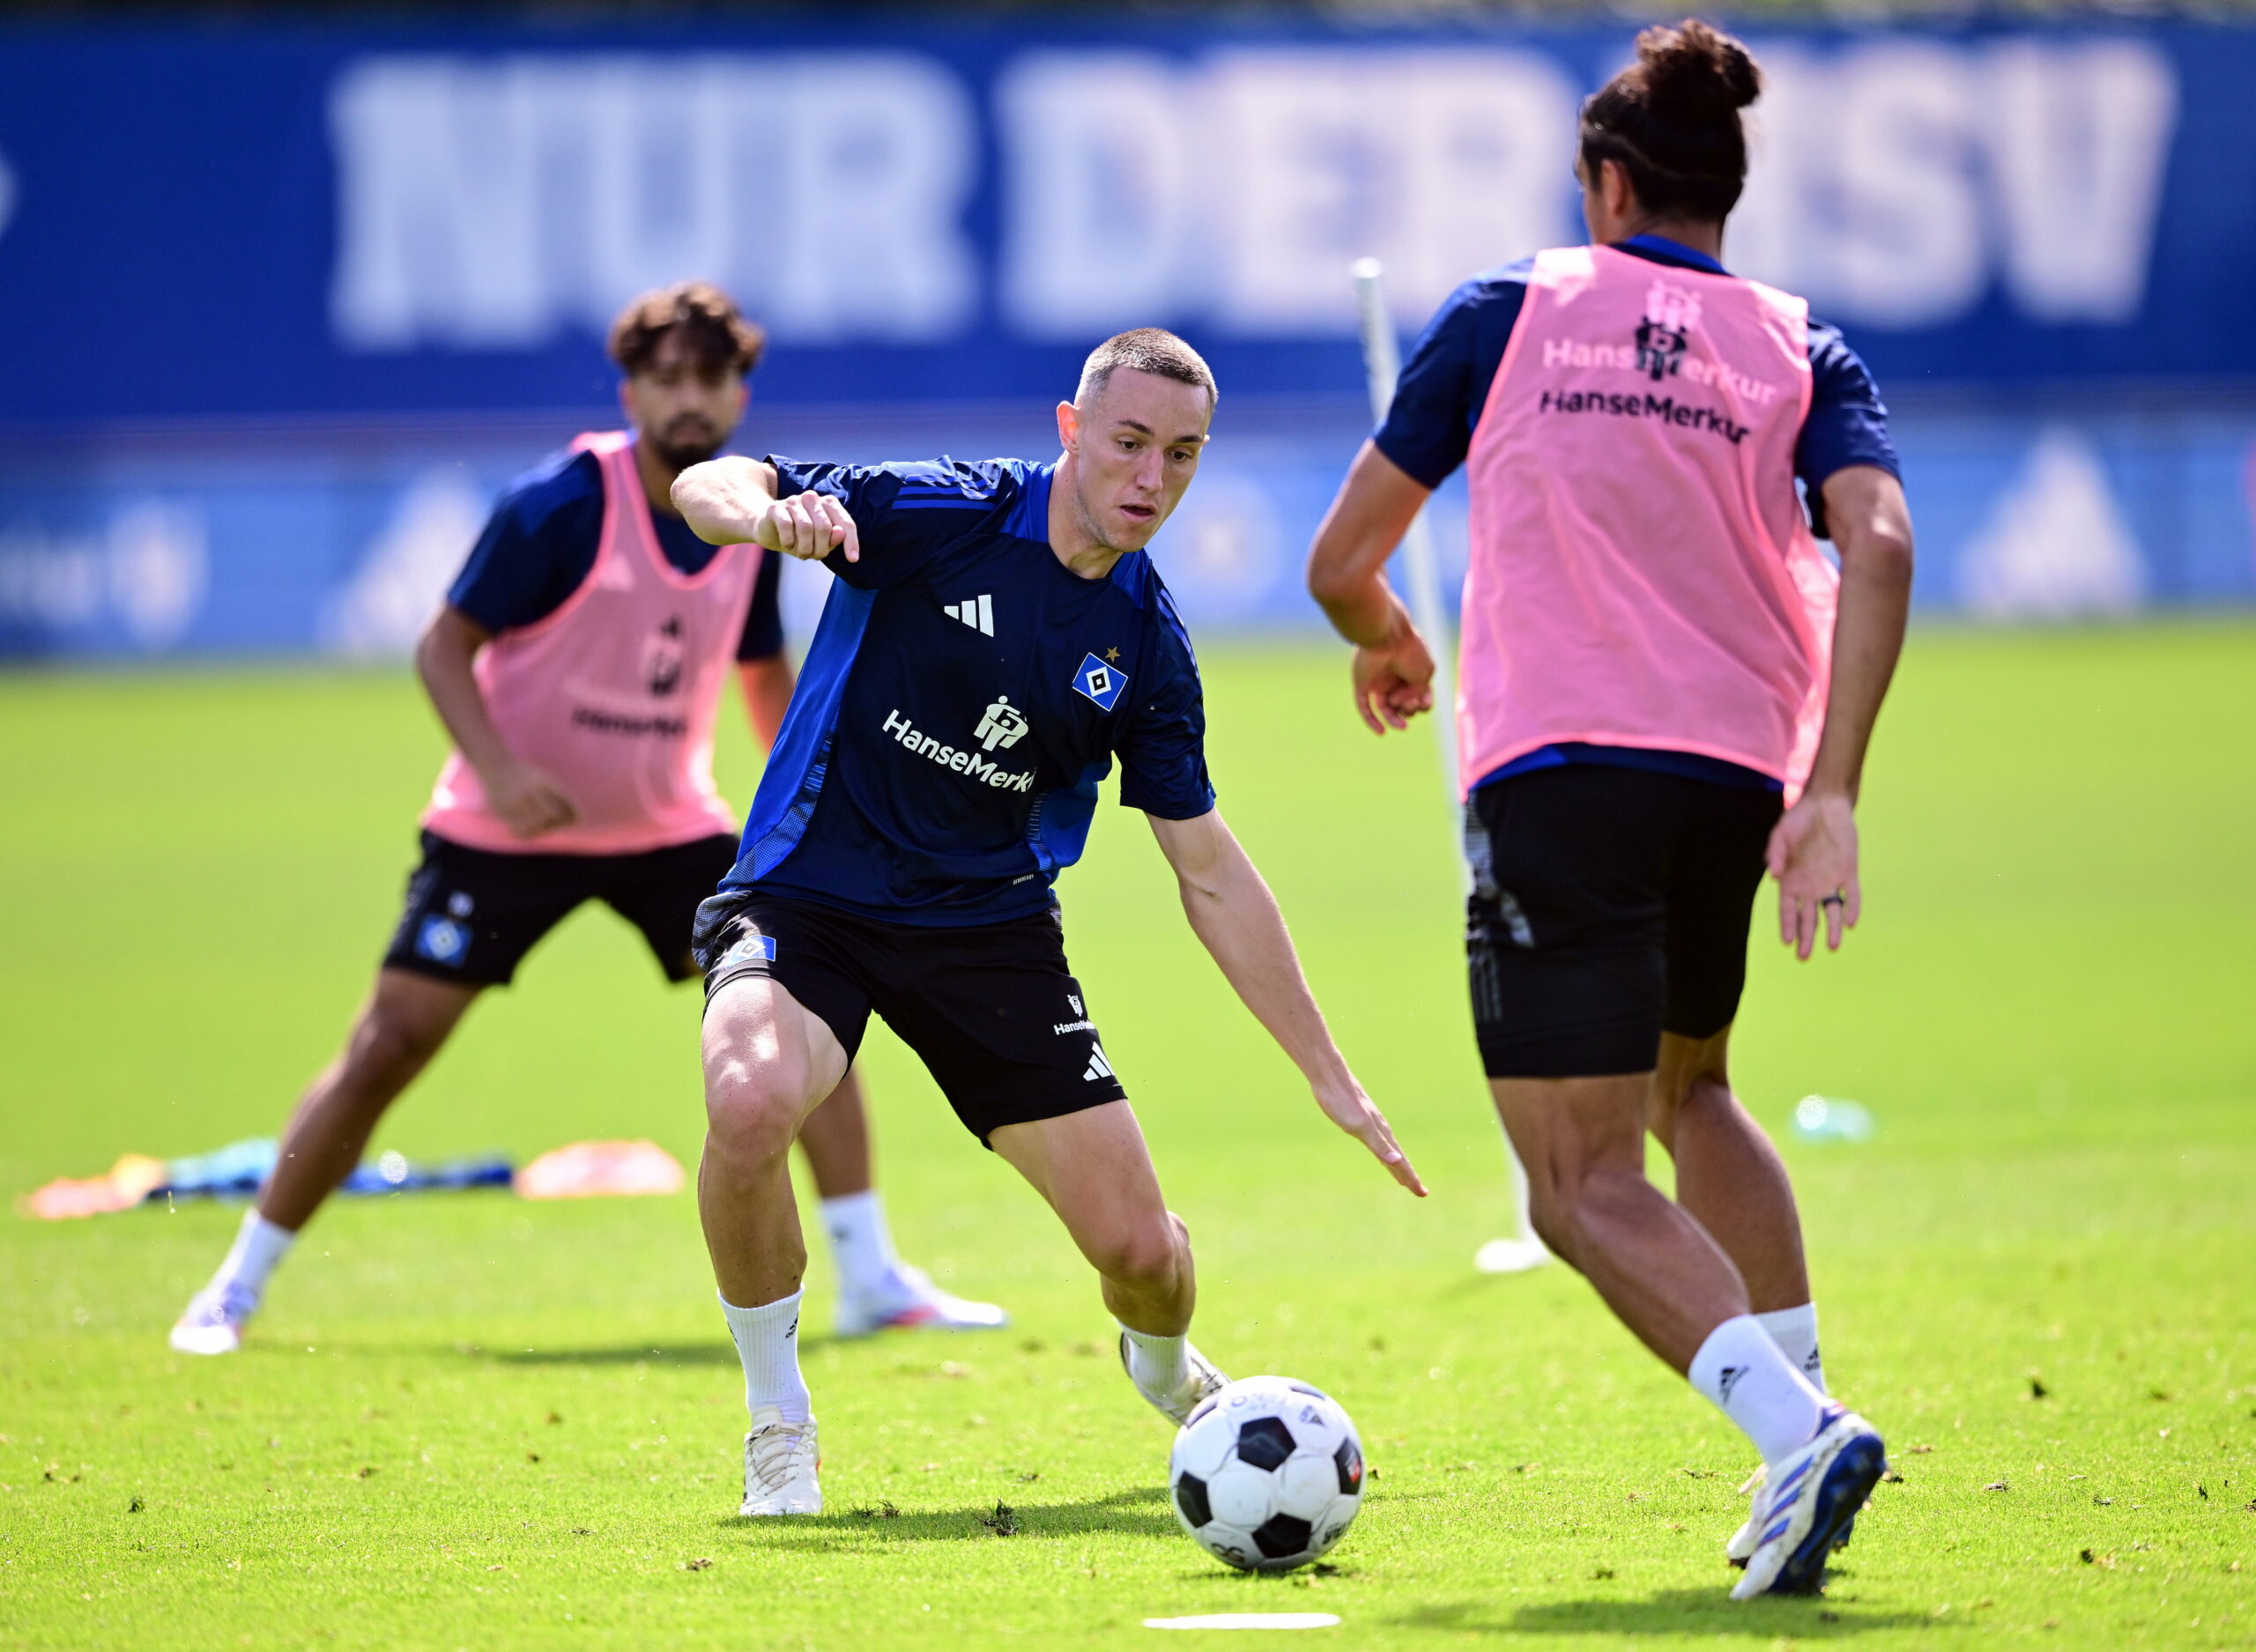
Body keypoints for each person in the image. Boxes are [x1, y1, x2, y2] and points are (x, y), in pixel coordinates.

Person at [1305, 21, 1914, 1600]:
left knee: (1575, 1185)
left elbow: (1340, 560)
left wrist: (1389, 641)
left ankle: (1797, 1436)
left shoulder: (1513, 307)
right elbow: (1886, 544)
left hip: (1564, 772)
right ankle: (1805, 1415)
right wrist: (1832, 789)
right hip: (1735, 776)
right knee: (1691, 1091)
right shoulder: (1798, 341)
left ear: (1609, 184)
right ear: (1723, 191)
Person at [669, 328, 1426, 1516]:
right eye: (1128, 442)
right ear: (1072, 430)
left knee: (1145, 1258)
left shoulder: (1145, 642)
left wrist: (1330, 1075)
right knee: (750, 1097)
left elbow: (1210, 870)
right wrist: (765, 516)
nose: (1150, 477)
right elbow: (712, 486)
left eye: (1180, 456)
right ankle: (779, 1417)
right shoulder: (947, 510)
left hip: (989, 928)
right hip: (808, 895)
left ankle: (1166, 1371)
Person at [169, 282, 1002, 1357]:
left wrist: (811, 797)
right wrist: (502, 772)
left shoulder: (742, 517)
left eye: (711, 379)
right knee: (387, 1046)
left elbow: (762, 675)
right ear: (631, 390)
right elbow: (441, 648)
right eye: (667, 379)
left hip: (668, 833)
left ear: (740, 391)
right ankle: (236, 1287)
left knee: (808, 1025)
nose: (690, 400)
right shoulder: (560, 506)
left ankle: (873, 1276)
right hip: (503, 831)